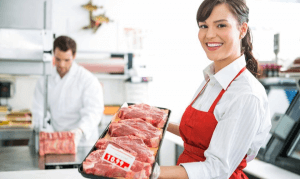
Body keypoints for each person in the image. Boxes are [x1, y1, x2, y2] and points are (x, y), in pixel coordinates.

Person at [153, 0, 271, 178]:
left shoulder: (246, 94)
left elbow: (217, 170)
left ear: (242, 29)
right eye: (203, 26)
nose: (209, 35)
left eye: (221, 25)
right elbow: (199, 135)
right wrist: (156, 121)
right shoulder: (212, 79)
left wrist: (149, 172)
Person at [32, 36, 104, 147]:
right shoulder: (44, 81)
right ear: (53, 55)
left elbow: (94, 111)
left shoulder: (87, 80)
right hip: (55, 141)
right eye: (58, 59)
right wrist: (49, 134)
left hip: (82, 143)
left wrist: (79, 131)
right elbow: (39, 111)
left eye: (66, 60)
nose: (62, 65)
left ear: (74, 56)